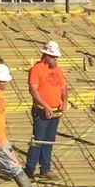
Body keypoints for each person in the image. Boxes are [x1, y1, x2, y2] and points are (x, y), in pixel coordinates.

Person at [27, 40, 67, 177]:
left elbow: (63, 87)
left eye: (56, 57)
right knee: (38, 140)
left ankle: (45, 169)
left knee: (49, 141)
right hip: (41, 111)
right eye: (53, 57)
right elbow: (33, 90)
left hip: (56, 112)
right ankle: (29, 170)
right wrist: (46, 106)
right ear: (46, 56)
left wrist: (64, 101)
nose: (56, 59)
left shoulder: (58, 70)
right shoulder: (36, 69)